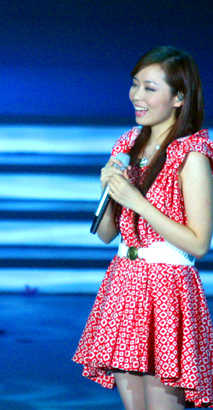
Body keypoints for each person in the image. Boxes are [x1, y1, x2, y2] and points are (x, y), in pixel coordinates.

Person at [72, 46, 213, 409]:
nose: (137, 96)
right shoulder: (127, 144)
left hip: (168, 289)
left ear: (179, 97)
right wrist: (109, 191)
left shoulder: (191, 154)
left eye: (150, 88)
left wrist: (138, 202)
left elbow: (200, 243)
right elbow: (106, 234)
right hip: (125, 283)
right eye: (135, 84)